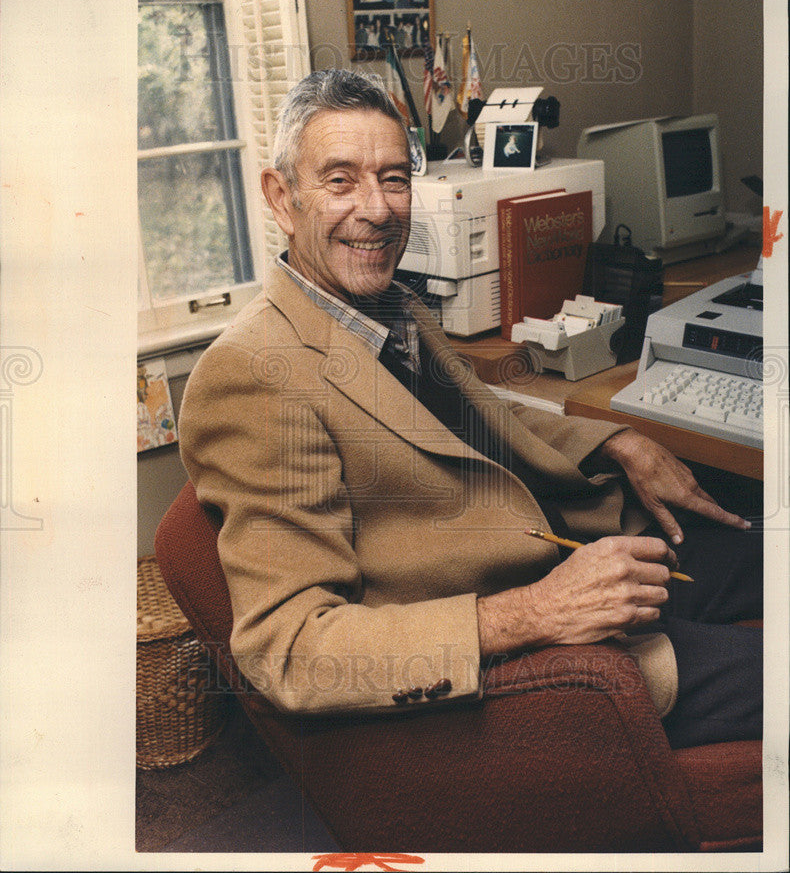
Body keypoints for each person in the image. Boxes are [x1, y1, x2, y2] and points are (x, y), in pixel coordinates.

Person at [179, 70, 762, 749]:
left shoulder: (387, 302)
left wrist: (615, 441)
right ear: (282, 198)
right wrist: (537, 612)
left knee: (766, 550)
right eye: (340, 181)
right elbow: (292, 651)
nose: (377, 209)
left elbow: (487, 422)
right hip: (530, 644)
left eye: (394, 179)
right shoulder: (253, 375)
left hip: (567, 548)